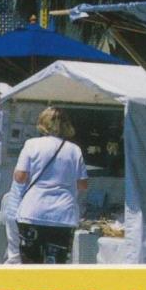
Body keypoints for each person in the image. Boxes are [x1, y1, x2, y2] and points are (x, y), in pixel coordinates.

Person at [13, 107, 88, 264]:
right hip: (63, 215)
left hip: (33, 212)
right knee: (57, 265)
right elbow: (82, 185)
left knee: (30, 263)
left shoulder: (31, 144)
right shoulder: (75, 150)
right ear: (66, 125)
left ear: (42, 123)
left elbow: (20, 178)